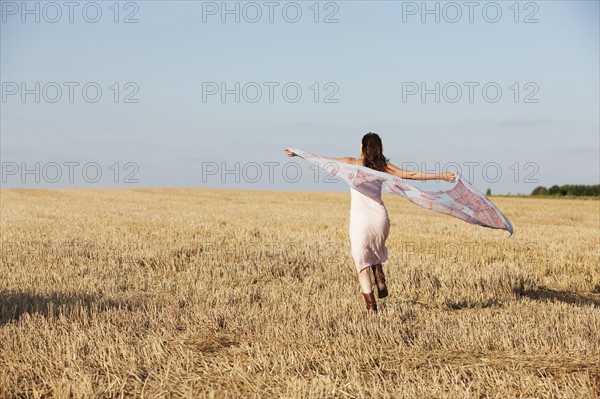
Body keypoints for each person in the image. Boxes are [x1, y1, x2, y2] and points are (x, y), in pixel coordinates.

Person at [284, 132, 456, 313]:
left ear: (362, 148)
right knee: (374, 249)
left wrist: (299, 153)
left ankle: (372, 307)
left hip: (361, 221)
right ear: (379, 148)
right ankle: (379, 273)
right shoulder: (385, 168)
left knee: (361, 261)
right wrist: (442, 175)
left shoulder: (354, 163)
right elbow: (411, 174)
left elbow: (326, 160)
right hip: (380, 219)